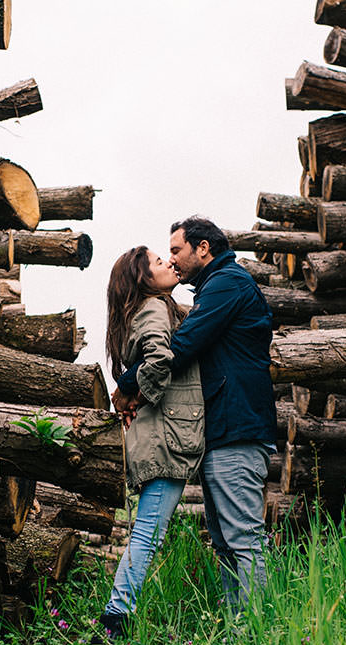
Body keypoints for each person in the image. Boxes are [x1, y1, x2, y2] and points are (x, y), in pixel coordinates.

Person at [112, 216, 276, 614]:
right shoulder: (212, 290)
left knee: (242, 538)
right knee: (224, 541)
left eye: (175, 250)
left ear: (203, 248)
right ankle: (239, 630)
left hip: (237, 428)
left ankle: (256, 629)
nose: (173, 260)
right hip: (221, 432)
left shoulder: (227, 284)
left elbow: (179, 348)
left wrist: (128, 385)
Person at [97, 245, 205, 640]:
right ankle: (114, 620)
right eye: (159, 262)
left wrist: (134, 390)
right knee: (146, 534)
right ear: (144, 279)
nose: (169, 263)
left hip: (158, 435)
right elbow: (159, 360)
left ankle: (115, 616)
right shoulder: (155, 308)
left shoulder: (140, 313)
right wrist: (141, 393)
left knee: (145, 531)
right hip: (168, 436)